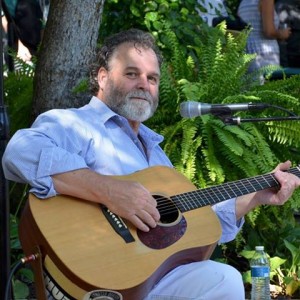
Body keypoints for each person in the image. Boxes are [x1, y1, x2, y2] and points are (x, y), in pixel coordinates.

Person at [2, 28, 300, 300]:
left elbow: (198, 225)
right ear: (103, 77)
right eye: (132, 74)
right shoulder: (75, 123)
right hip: (98, 275)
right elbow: (20, 151)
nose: (144, 85)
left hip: (148, 280)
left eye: (152, 78)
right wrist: (109, 191)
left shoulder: (156, 154)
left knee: (222, 278)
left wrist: (257, 195)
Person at [238, 0, 292, 82]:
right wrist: (282, 34)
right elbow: (268, 31)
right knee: (268, 91)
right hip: (265, 56)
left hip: (245, 54)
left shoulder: (243, 2)